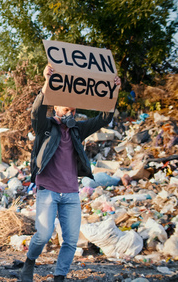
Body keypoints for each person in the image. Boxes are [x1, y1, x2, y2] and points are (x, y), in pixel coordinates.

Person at [20, 65, 121, 282]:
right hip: (48, 190)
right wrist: (47, 81)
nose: (70, 114)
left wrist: (114, 92)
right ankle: (29, 262)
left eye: (73, 111)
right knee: (44, 235)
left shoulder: (78, 129)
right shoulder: (45, 127)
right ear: (56, 108)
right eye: (66, 110)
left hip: (71, 193)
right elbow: (36, 111)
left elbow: (103, 118)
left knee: (71, 241)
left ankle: (59, 277)